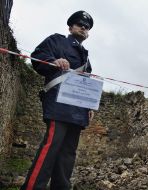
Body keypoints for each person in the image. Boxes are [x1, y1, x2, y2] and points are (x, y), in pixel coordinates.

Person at [21, 10, 94, 190]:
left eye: (87, 27)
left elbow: (86, 84)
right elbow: (37, 56)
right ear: (70, 27)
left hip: (78, 111)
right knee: (51, 148)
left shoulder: (86, 56)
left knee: (68, 155)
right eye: (80, 25)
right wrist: (53, 60)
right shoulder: (57, 41)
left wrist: (89, 106)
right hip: (59, 105)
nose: (83, 28)